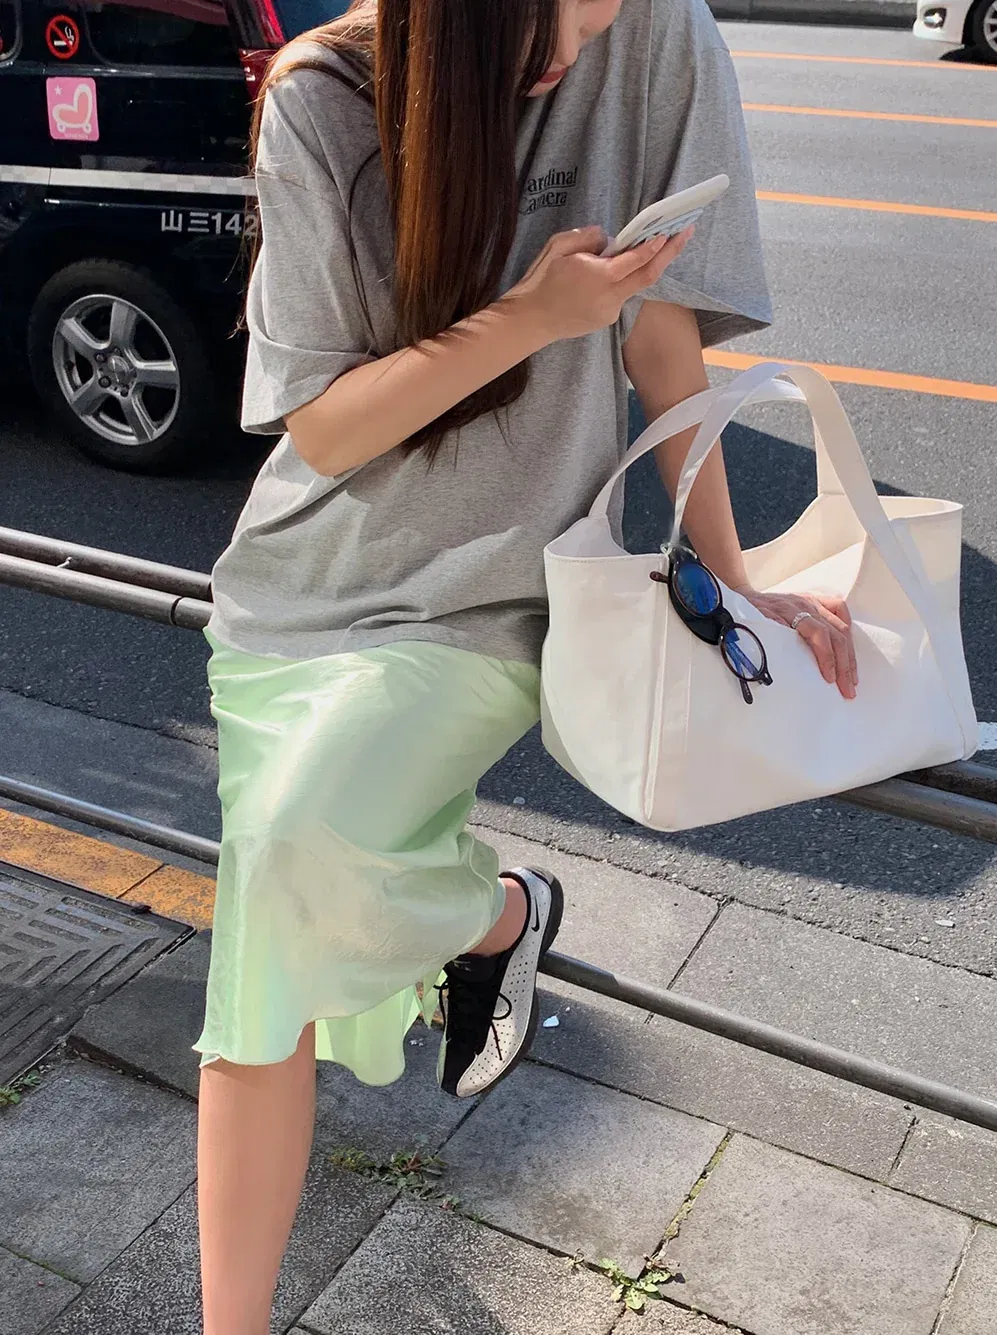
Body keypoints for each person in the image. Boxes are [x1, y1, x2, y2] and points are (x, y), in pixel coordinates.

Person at [195, 0, 859, 1329]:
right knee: (272, 934)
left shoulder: (662, 38)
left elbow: (663, 341)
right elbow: (322, 432)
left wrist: (733, 577)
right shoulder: (324, 95)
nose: (576, 50)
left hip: (496, 595)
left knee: (282, 866)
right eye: (555, 19)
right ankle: (498, 916)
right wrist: (533, 316)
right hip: (297, 594)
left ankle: (493, 920)